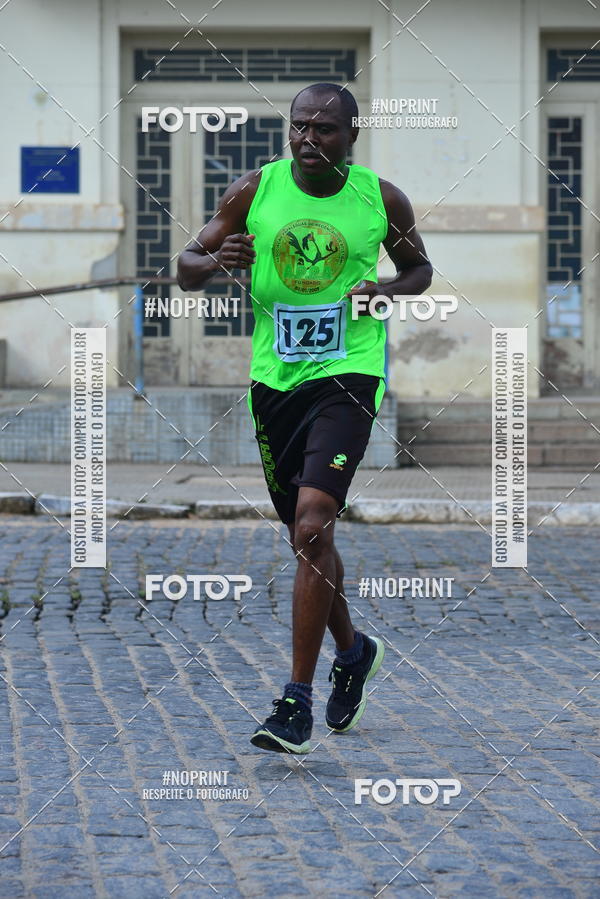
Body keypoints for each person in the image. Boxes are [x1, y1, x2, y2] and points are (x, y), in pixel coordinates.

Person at [178, 82, 432, 753]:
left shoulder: (382, 199)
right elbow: (186, 265)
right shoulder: (252, 190)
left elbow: (420, 271)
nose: (308, 140)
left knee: (315, 519)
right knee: (305, 540)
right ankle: (353, 651)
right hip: (275, 381)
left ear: (352, 134)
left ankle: (294, 702)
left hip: (348, 373)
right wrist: (215, 259)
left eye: (324, 129)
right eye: (299, 127)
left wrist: (384, 290)